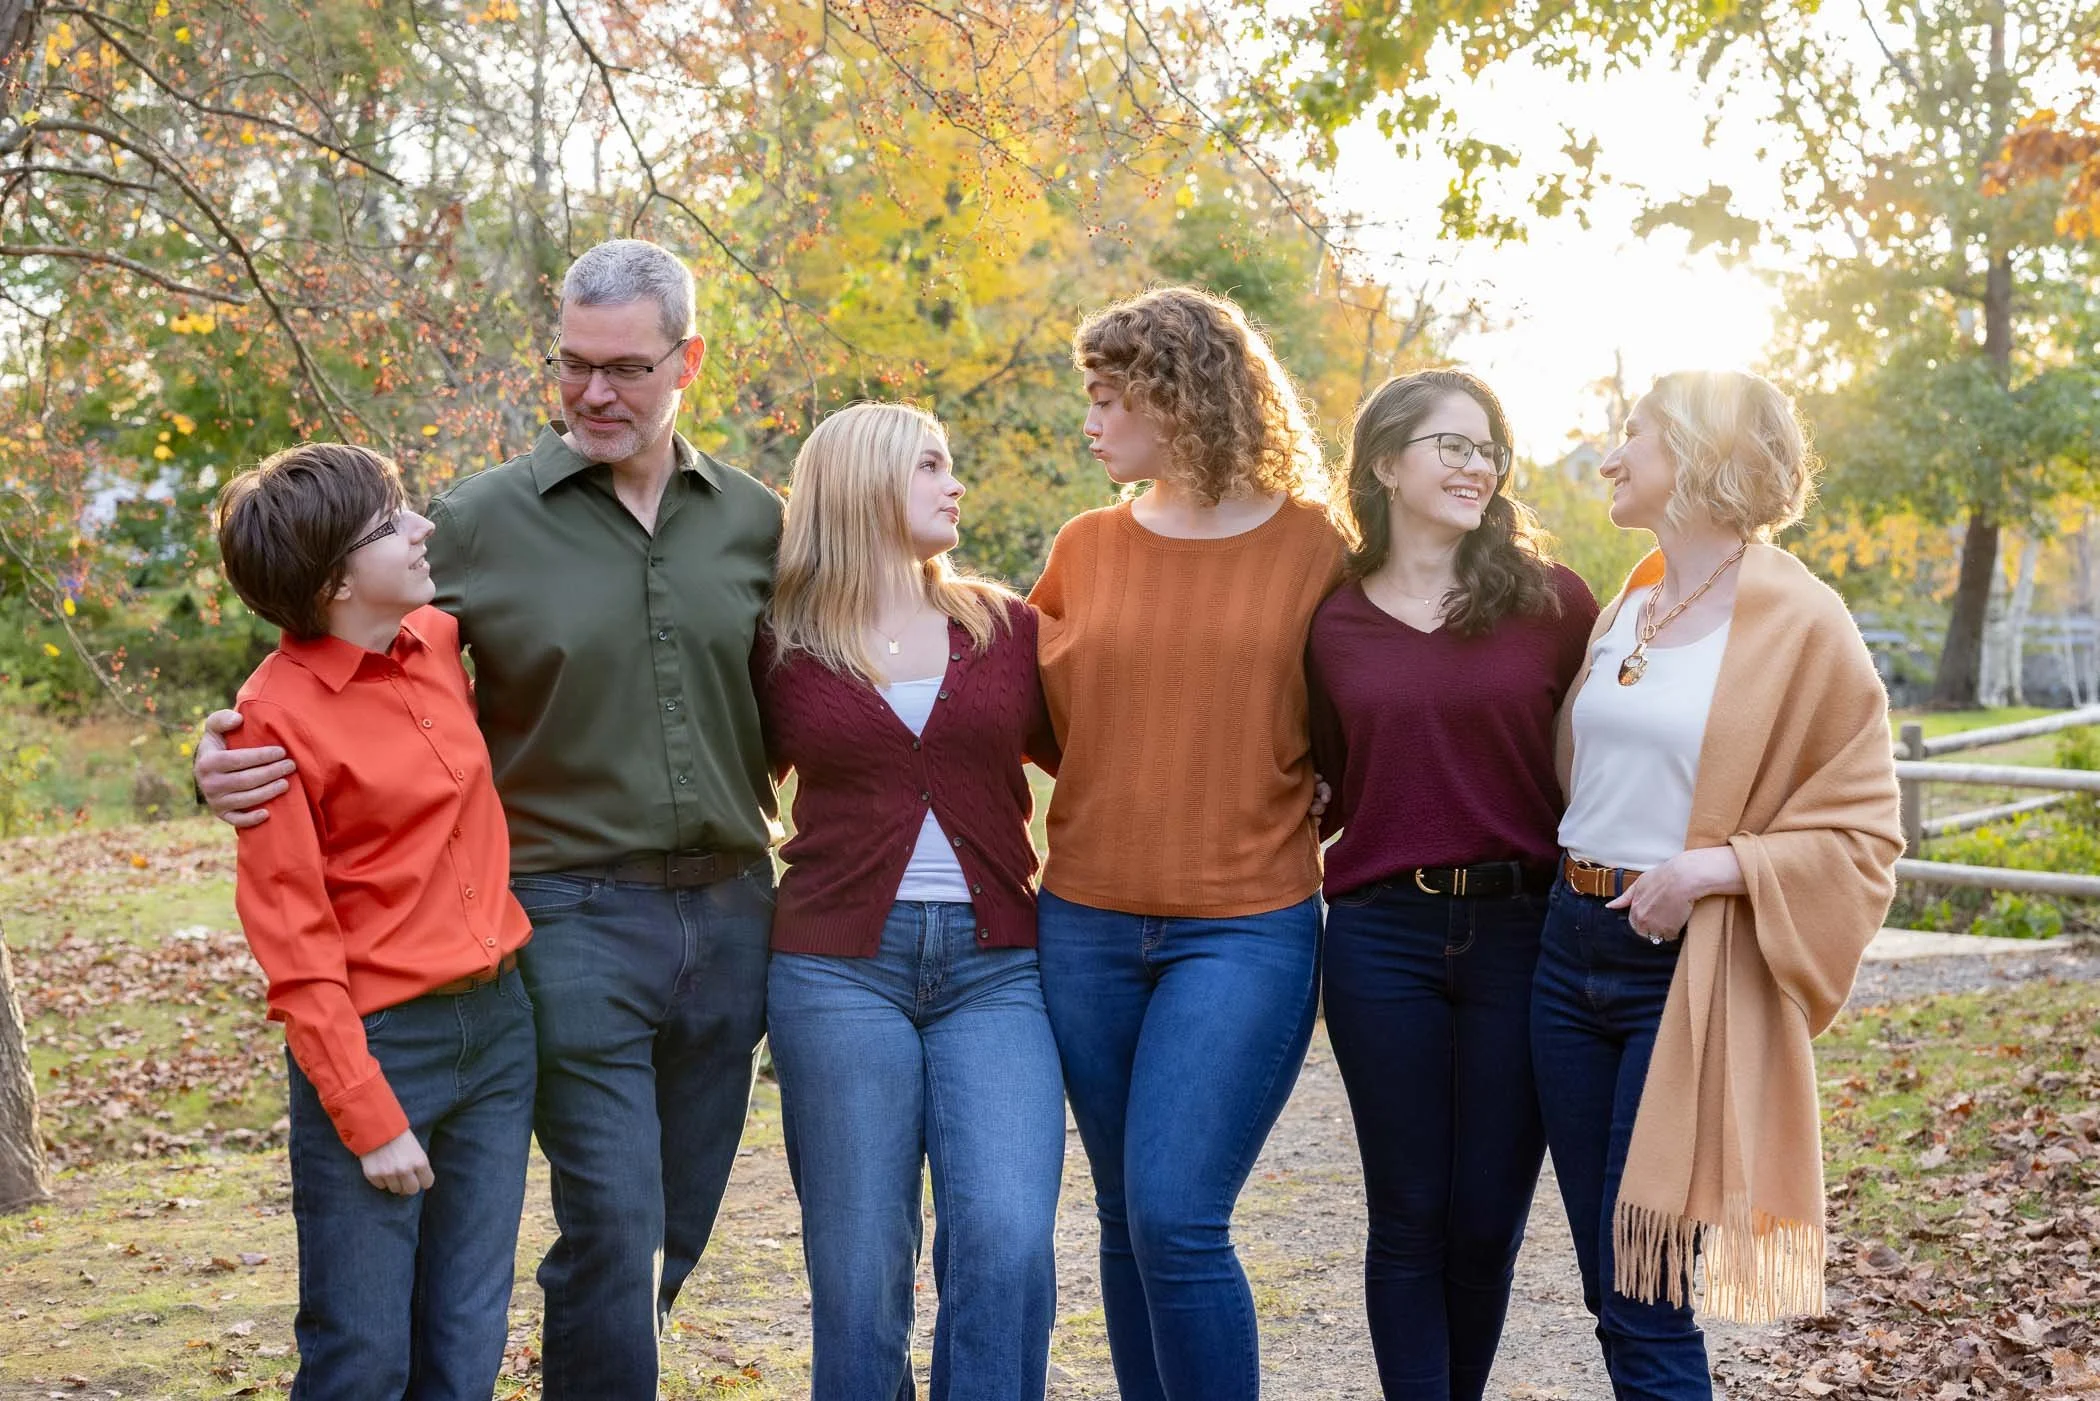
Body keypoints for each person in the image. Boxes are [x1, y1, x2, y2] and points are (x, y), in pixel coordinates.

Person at [194, 239, 782, 1397]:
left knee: (671, 1220)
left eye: (625, 368)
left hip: (728, 908)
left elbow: (819, 691)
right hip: (567, 917)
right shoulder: (470, 526)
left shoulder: (757, 522)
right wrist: (215, 759)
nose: (595, 392)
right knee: (611, 1219)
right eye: (573, 364)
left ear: (688, 361)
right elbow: (310, 631)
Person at [1535, 369, 1902, 1398]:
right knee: (1613, 1286)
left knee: (1646, 1294)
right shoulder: (1633, 599)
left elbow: (1866, 830)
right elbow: (1575, 770)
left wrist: (1716, 867)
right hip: (1568, 955)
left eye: (1633, 435)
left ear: (1697, 455)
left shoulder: (1801, 621)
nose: (1611, 456)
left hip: (1684, 974)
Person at [1027, 286, 1345, 1401]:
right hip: (1084, 923)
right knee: (1124, 1216)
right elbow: (1030, 717)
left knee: (1176, 1212)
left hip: (1246, 925)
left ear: (1179, 395)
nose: (1092, 423)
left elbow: (1371, 708)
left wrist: (1328, 795)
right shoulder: (1084, 546)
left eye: (1110, 398)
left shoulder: (1316, 547)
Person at [213, 443, 537, 1399]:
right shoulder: (271, 720)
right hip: (380, 1042)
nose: (420, 526)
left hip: (500, 1028)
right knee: (362, 1355)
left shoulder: (436, 639)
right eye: (392, 520)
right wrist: (365, 1113)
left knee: (468, 1333)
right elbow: (293, 941)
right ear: (332, 578)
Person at [755, 401, 1065, 1399]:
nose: (953, 482)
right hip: (838, 970)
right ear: (866, 484)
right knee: (857, 1266)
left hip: (999, 968)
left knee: (1008, 1238)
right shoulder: (781, 641)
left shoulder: (1006, 628)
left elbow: (1111, 762)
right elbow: (709, 775)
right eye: (930, 465)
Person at [1306, 370, 1597, 1400]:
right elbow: (1324, 770)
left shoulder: (1553, 602)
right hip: (1381, 936)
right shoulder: (1327, 618)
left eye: (1489, 448)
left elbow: (1596, 760)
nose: (1478, 466)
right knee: (1409, 1213)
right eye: (1452, 445)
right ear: (1385, 463)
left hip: (1525, 930)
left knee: (1485, 1219)